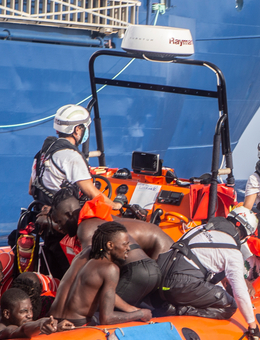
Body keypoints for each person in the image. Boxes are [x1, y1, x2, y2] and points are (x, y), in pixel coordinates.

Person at [28, 104, 120, 278]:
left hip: (45, 224)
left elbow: (31, 189)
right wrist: (117, 205)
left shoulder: (42, 154)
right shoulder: (71, 156)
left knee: (55, 272)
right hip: (65, 227)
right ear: (77, 129)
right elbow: (93, 193)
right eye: (84, 128)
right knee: (72, 275)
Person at [154, 206, 260, 340]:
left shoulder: (200, 229)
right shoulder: (233, 252)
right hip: (180, 284)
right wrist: (253, 326)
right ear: (243, 234)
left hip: (158, 276)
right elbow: (240, 292)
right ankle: (176, 310)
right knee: (230, 305)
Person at [49, 189, 169, 306]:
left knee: (96, 311)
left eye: (59, 221)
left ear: (69, 214)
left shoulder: (86, 228)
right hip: (148, 264)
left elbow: (90, 268)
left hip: (158, 255)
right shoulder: (97, 219)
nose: (59, 227)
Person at [56, 222, 153, 326]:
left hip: (54, 321)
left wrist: (131, 309)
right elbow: (107, 319)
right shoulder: (110, 269)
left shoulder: (83, 256)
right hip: (74, 325)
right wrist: (140, 313)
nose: (128, 248)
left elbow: (97, 290)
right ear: (110, 245)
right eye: (125, 244)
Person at [0, 288, 68, 340]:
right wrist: (40, 324)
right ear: (7, 314)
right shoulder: (5, 330)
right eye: (23, 311)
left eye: (30, 310)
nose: (30, 315)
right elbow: (22, 330)